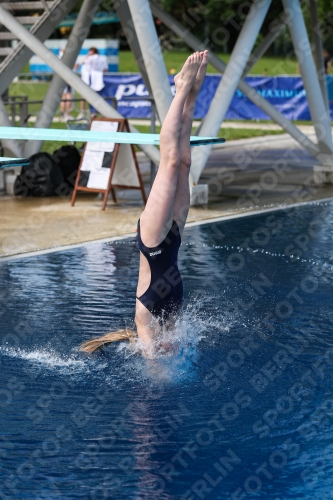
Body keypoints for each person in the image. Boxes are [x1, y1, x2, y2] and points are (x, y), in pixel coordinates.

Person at [80, 51, 209, 357]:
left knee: (170, 160)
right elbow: (178, 348)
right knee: (185, 162)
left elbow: (155, 367)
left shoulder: (145, 322)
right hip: (174, 235)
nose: (166, 347)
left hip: (152, 241)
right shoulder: (173, 322)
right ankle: (193, 95)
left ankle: (180, 89)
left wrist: (157, 362)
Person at [77, 47, 108, 120]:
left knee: (84, 97)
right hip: (99, 80)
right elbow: (106, 69)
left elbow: (83, 62)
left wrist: (88, 56)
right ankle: (98, 112)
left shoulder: (91, 58)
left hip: (89, 80)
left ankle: (83, 113)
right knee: (98, 98)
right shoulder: (102, 58)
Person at [59, 47, 74, 121]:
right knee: (68, 96)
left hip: (61, 78)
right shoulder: (69, 57)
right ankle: (68, 114)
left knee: (63, 97)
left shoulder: (60, 56)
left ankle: (62, 114)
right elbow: (76, 65)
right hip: (67, 78)